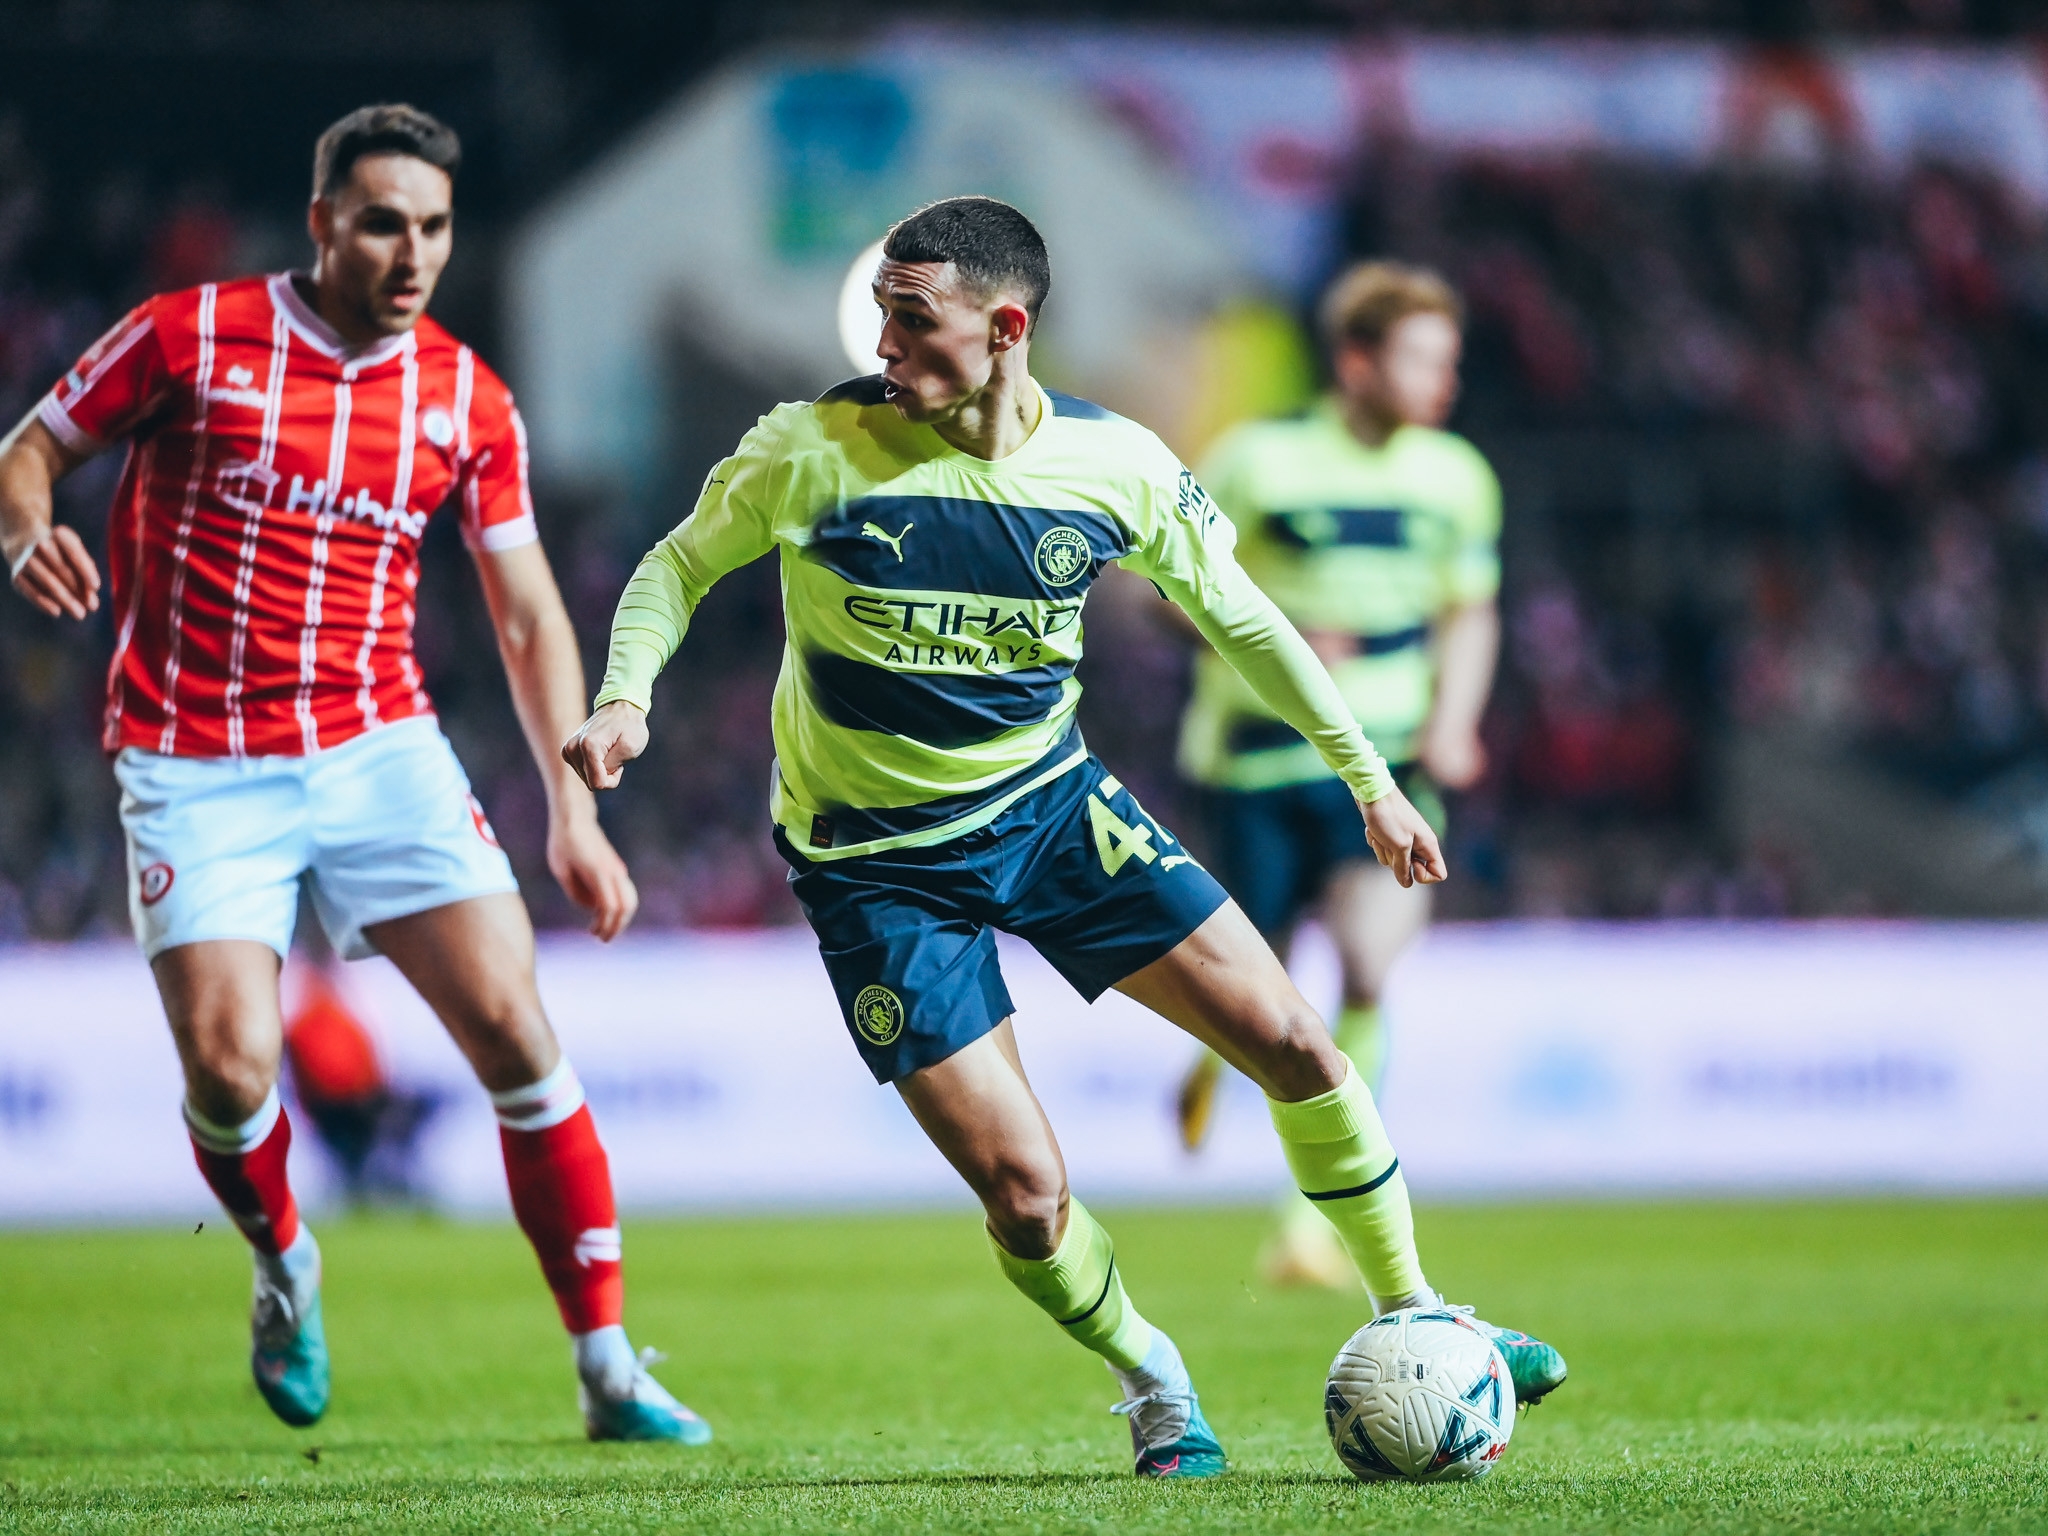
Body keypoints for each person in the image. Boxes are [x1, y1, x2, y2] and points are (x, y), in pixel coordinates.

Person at [562, 197, 1565, 1478]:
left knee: (1297, 1042)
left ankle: (1416, 1309)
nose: (882, 344)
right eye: (878, 312)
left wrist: (1372, 784)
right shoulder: (809, 448)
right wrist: (625, 695)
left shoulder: (1118, 466)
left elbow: (1245, 623)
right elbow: (674, 567)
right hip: (875, 867)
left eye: (910, 318)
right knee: (1025, 1196)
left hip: (1047, 812)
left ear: (1005, 326)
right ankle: (1153, 1379)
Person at [0, 104, 706, 1444]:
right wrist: (26, 528)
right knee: (227, 1066)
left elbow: (529, 613)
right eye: (384, 221)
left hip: (379, 745)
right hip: (194, 757)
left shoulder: (463, 395)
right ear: (323, 221)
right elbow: (27, 449)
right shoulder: (188, 334)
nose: (413, 251)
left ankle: (610, 1367)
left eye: (435, 226)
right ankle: (284, 1267)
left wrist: (573, 805)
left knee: (516, 1028)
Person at [1172, 262, 1503, 1289]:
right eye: (1420, 359)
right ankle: (1207, 1055)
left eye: (1448, 362)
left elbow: (1468, 609)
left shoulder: (1456, 477)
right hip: (1255, 764)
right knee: (1261, 1000)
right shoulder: (1254, 462)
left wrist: (1452, 723)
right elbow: (1159, 588)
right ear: (1354, 361)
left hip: (1393, 765)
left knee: (1364, 968)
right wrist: (1263, 636)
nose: (1442, 382)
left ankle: (1305, 1227)